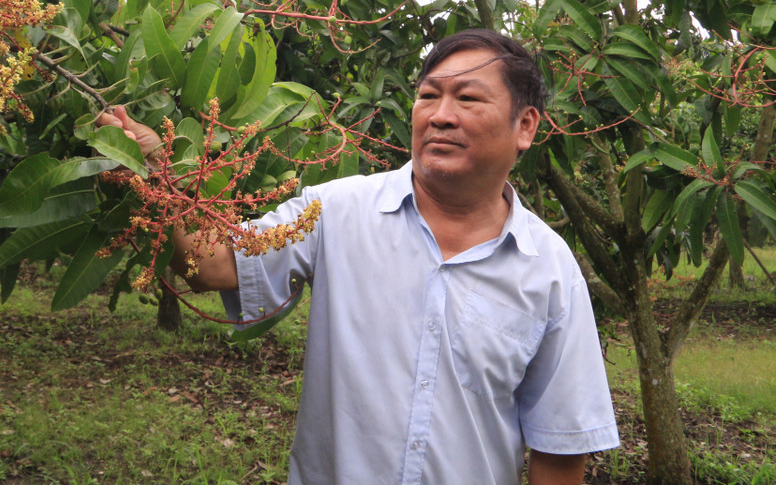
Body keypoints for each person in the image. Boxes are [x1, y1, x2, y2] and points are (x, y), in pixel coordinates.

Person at [98, 29, 619, 485]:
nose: (440, 116)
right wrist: (153, 169)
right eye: (428, 96)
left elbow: (560, 448)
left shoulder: (550, 270)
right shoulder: (335, 211)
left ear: (525, 126)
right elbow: (210, 266)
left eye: (467, 98)